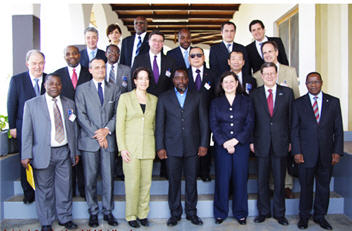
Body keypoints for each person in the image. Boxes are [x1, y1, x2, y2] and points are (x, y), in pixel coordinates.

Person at [21, 74, 79, 231]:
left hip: (64, 152)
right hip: (42, 152)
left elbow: (73, 129)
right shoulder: (32, 105)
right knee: (44, 189)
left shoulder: (69, 103)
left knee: (65, 187)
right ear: (45, 85)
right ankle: (46, 221)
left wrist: (74, 151)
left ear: (61, 86)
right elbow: (26, 132)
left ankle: (65, 218)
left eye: (58, 84)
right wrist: (25, 154)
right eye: (51, 83)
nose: (55, 86)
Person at [156, 69, 209, 227]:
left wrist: (204, 144)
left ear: (188, 80)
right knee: (174, 181)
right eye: (177, 78)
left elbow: (204, 123)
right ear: (173, 80)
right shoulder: (164, 98)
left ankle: (192, 212)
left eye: (184, 78)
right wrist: (160, 147)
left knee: (192, 181)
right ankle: (175, 213)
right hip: (171, 147)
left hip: (193, 147)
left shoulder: (198, 96)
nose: (180, 80)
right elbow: (160, 125)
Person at [291, 72, 343, 230]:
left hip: (327, 154)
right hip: (305, 154)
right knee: (305, 187)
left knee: (323, 187)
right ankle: (304, 216)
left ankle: (320, 216)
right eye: (309, 82)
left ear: (321, 82)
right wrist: (297, 151)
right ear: (305, 85)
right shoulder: (298, 103)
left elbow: (338, 130)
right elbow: (294, 130)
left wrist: (337, 151)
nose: (313, 85)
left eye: (316, 82)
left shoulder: (333, 102)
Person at [75, 58, 119, 227]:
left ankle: (108, 211)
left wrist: (106, 131)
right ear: (90, 70)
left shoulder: (114, 88)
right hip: (90, 141)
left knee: (108, 178)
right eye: (97, 67)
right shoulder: (81, 90)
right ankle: (93, 212)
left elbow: (117, 114)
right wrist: (98, 134)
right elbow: (81, 115)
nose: (100, 70)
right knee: (90, 179)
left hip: (108, 140)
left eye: (103, 67)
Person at [253, 40, 299, 198]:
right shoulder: (256, 77)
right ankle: (264, 209)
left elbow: (295, 105)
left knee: (281, 171)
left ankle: (286, 189)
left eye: (270, 51)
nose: (267, 55)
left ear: (277, 52)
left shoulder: (290, 71)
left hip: (282, 132)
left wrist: (294, 138)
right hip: (263, 136)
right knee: (263, 176)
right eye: (264, 53)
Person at [250, 62, 294, 226]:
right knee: (261, 180)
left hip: (281, 143)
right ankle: (263, 212)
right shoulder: (255, 94)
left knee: (279, 180)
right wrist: (251, 140)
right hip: (261, 143)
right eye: (266, 74)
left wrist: (291, 141)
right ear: (261, 76)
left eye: (272, 73)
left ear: (276, 75)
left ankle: (279, 213)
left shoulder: (287, 93)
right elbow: (251, 120)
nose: (269, 76)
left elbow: (291, 120)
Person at [209, 71, 254, 225]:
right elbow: (214, 125)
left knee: (240, 179)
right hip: (222, 147)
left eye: (231, 81)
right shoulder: (215, 102)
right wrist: (225, 142)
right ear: (221, 85)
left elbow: (249, 124)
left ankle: (241, 212)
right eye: (225, 82)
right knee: (222, 180)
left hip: (241, 146)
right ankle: (220, 212)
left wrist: (235, 141)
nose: (228, 84)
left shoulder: (246, 101)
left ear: (236, 83)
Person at [116, 67, 158, 228]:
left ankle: (142, 214)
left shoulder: (154, 99)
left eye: (146, 78)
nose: (144, 81)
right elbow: (120, 125)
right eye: (140, 78)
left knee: (146, 184)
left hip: (148, 147)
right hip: (130, 149)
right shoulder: (125, 98)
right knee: (132, 183)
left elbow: (154, 125)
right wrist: (122, 148)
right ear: (134, 81)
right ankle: (131, 215)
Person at [7, 49, 47, 204]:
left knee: (43, 161)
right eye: (34, 63)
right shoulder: (17, 80)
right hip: (23, 127)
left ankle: (42, 191)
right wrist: (12, 126)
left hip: (44, 130)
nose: (38, 67)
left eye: (41, 63)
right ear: (27, 64)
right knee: (26, 160)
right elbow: (11, 103)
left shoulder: (49, 79)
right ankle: (28, 191)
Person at [54, 45, 92, 199]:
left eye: (75, 53)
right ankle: (69, 191)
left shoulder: (88, 73)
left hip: (86, 121)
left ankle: (83, 190)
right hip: (65, 123)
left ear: (79, 55)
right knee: (68, 158)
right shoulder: (57, 75)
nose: (72, 56)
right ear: (64, 56)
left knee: (83, 158)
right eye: (68, 54)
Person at [187, 46, 216, 182]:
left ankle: (205, 171)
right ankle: (191, 171)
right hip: (189, 116)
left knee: (205, 142)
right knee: (191, 144)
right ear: (189, 59)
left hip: (208, 114)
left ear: (204, 58)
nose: (196, 58)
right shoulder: (183, 74)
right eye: (193, 56)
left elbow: (216, 95)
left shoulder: (212, 74)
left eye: (199, 55)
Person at [105, 44, 132, 180]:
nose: (113, 54)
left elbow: (130, 90)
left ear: (119, 54)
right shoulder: (100, 68)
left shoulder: (126, 70)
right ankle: (109, 171)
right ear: (106, 54)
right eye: (110, 52)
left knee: (121, 139)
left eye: (116, 52)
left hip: (123, 109)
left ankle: (120, 171)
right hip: (105, 110)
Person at [132, 30, 176, 97]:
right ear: (149, 42)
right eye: (154, 40)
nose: (157, 43)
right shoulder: (138, 60)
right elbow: (133, 80)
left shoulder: (170, 61)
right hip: (144, 99)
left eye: (160, 41)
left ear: (163, 44)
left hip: (164, 101)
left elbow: (172, 84)